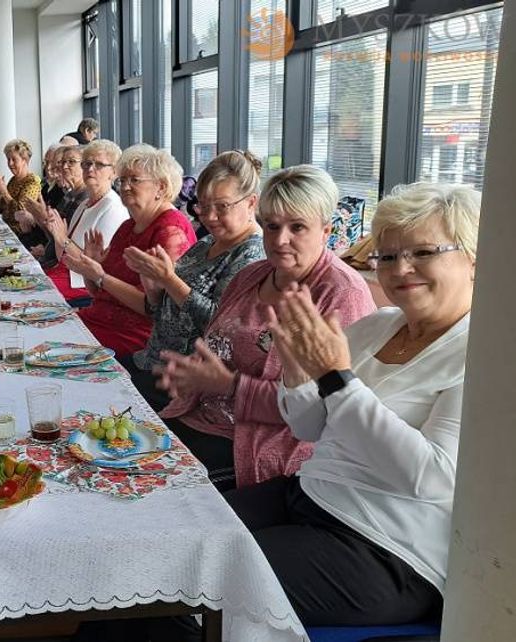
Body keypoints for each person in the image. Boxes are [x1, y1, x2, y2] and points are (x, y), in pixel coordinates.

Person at [232, 182, 478, 628]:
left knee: (209, 578)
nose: (401, 268)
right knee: (183, 535)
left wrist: (338, 379)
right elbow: (310, 427)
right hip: (311, 493)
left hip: (384, 547)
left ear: (474, 259)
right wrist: (297, 371)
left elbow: (433, 477)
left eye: (423, 252)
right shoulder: (379, 326)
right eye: (387, 256)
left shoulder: (484, 356)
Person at [157, 164, 375, 490]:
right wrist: (192, 375)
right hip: (200, 418)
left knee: (150, 487)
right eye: (272, 226)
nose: (280, 240)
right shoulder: (252, 275)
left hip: (259, 445)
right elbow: (217, 347)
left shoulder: (342, 294)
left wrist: (230, 385)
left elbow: (322, 409)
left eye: (297, 227)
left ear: (326, 231)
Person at [121, 150, 267, 411]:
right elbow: (164, 312)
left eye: (221, 207)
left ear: (251, 203)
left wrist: (169, 279)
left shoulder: (253, 255)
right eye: (203, 206)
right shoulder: (208, 243)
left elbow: (218, 325)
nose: (209, 217)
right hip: (151, 361)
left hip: (184, 383)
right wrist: (154, 285)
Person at [60, 144, 197, 355]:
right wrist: (93, 271)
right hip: (98, 321)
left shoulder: (171, 230)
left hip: (133, 337)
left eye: (134, 180)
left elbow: (153, 308)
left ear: (161, 187)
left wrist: (101, 275)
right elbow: (98, 292)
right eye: (122, 180)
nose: (124, 187)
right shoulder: (127, 226)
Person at [38, 139, 127, 304]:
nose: (90, 169)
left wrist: (62, 239)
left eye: (99, 164)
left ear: (114, 172)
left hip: (82, 285)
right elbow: (62, 257)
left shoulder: (114, 208)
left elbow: (97, 267)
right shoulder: (84, 205)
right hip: (65, 274)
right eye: (86, 164)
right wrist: (58, 237)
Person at [22, 145, 88, 269]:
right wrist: (40, 217)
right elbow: (53, 235)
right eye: (62, 162)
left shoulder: (86, 197)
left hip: (63, 267)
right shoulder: (69, 194)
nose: (64, 167)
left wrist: (41, 217)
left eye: (71, 162)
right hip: (50, 258)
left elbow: (64, 242)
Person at [0, 139, 43, 246]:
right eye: (8, 159)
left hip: (19, 235)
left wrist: (4, 192)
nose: (10, 163)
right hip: (6, 229)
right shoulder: (13, 180)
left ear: (24, 160)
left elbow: (20, 212)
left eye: (14, 159)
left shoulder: (32, 182)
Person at [40, 144, 66, 209]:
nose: (48, 167)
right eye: (46, 162)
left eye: (52, 162)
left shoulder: (64, 187)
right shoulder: (45, 183)